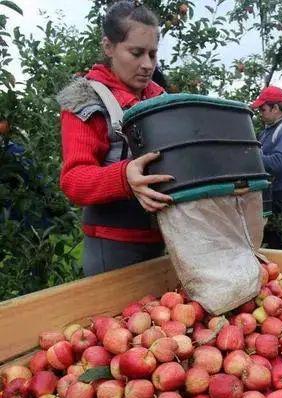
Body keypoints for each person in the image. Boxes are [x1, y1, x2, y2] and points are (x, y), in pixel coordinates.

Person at [57, 1, 173, 277]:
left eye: (152, 54)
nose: (147, 65)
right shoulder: (86, 101)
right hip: (112, 245)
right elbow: (74, 180)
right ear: (109, 47)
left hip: (164, 238)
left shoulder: (162, 100)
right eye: (136, 53)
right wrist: (123, 177)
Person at [251, 85, 282, 249]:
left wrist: (252, 158)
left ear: (275, 108)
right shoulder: (267, 131)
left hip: (278, 198)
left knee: (277, 244)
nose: (260, 113)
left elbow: (280, 162)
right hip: (266, 195)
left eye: (263, 109)